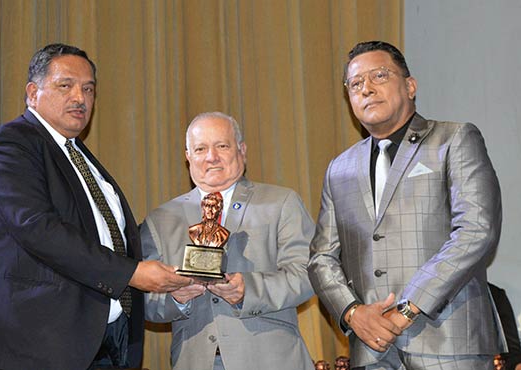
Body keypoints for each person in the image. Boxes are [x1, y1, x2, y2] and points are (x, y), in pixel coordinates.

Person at [0, 43, 192, 370]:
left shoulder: (78, 155)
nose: (79, 97)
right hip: (36, 348)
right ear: (32, 93)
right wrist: (133, 273)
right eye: (65, 85)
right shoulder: (10, 146)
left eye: (88, 89)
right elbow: (39, 230)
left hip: (105, 341)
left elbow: (108, 237)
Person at [308, 40, 506, 369]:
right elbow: (321, 258)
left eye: (379, 76)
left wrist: (407, 309)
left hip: (448, 343)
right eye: (355, 84)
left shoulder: (454, 139)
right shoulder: (338, 169)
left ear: (410, 86)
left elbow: (476, 229)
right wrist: (354, 314)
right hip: (371, 348)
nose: (366, 89)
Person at [141, 112, 316, 370]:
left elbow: (308, 274)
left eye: (222, 146)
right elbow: (144, 302)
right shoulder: (159, 220)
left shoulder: (281, 202)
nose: (211, 157)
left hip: (271, 358)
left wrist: (249, 290)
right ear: (188, 157)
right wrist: (176, 298)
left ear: (242, 151)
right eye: (200, 149)